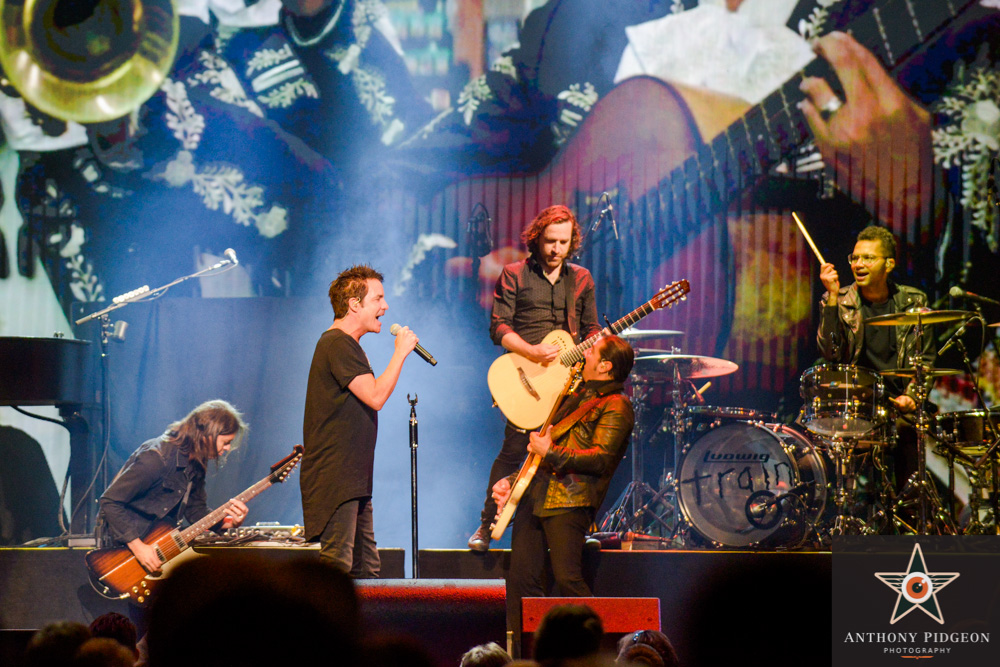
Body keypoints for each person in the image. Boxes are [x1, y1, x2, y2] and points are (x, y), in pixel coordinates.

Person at [468, 205, 601, 551]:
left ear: (572, 242)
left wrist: (596, 343)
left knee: (573, 453)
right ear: (537, 238)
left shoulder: (582, 279)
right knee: (513, 451)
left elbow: (591, 328)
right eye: (550, 241)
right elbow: (499, 327)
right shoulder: (514, 274)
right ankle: (487, 524)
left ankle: (579, 527)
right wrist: (531, 351)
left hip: (568, 383)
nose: (556, 249)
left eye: (563, 242)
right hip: (525, 378)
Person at [492, 335, 635, 658]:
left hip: (571, 501)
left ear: (606, 366)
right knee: (523, 581)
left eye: (591, 352)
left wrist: (551, 452)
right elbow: (544, 446)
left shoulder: (617, 405)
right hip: (538, 494)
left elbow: (600, 459)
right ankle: (530, 658)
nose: (583, 355)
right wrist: (512, 482)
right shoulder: (578, 393)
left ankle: (602, 654)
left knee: (568, 581)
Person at [301, 264, 418, 576]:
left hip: (352, 476)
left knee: (366, 569)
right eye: (378, 299)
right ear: (355, 304)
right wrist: (400, 353)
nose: (385, 306)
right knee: (338, 568)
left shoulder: (346, 345)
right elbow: (375, 396)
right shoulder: (336, 342)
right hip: (336, 475)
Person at [817, 225, 936, 490]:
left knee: (909, 434)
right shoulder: (838, 300)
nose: (859, 264)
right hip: (856, 403)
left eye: (868, 258)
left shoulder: (914, 302)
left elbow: (925, 361)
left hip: (898, 405)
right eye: (855, 258)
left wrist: (912, 396)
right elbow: (830, 353)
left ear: (889, 264)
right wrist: (833, 297)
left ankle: (909, 508)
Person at [96, 400, 250, 573]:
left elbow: (195, 510)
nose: (228, 448)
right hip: (123, 553)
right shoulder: (156, 459)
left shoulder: (197, 462)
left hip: (156, 548)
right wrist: (138, 547)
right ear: (207, 435)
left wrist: (229, 522)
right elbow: (110, 501)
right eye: (226, 442)